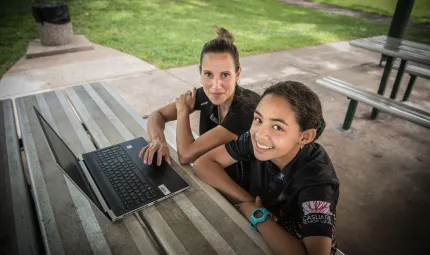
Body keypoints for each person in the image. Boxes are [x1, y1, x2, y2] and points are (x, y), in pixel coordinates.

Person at [193, 81, 340, 255]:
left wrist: (259, 216)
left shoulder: (317, 180)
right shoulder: (256, 142)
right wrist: (248, 201)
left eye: (277, 127)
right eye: (258, 119)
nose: (260, 134)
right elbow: (203, 164)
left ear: (305, 136)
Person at [139, 26, 260, 186]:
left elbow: (186, 154)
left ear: (237, 74)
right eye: (208, 74)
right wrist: (157, 140)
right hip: (214, 180)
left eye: (225, 75)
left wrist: (183, 111)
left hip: (248, 193)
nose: (216, 86)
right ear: (200, 72)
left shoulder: (246, 108)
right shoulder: (206, 94)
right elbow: (157, 115)